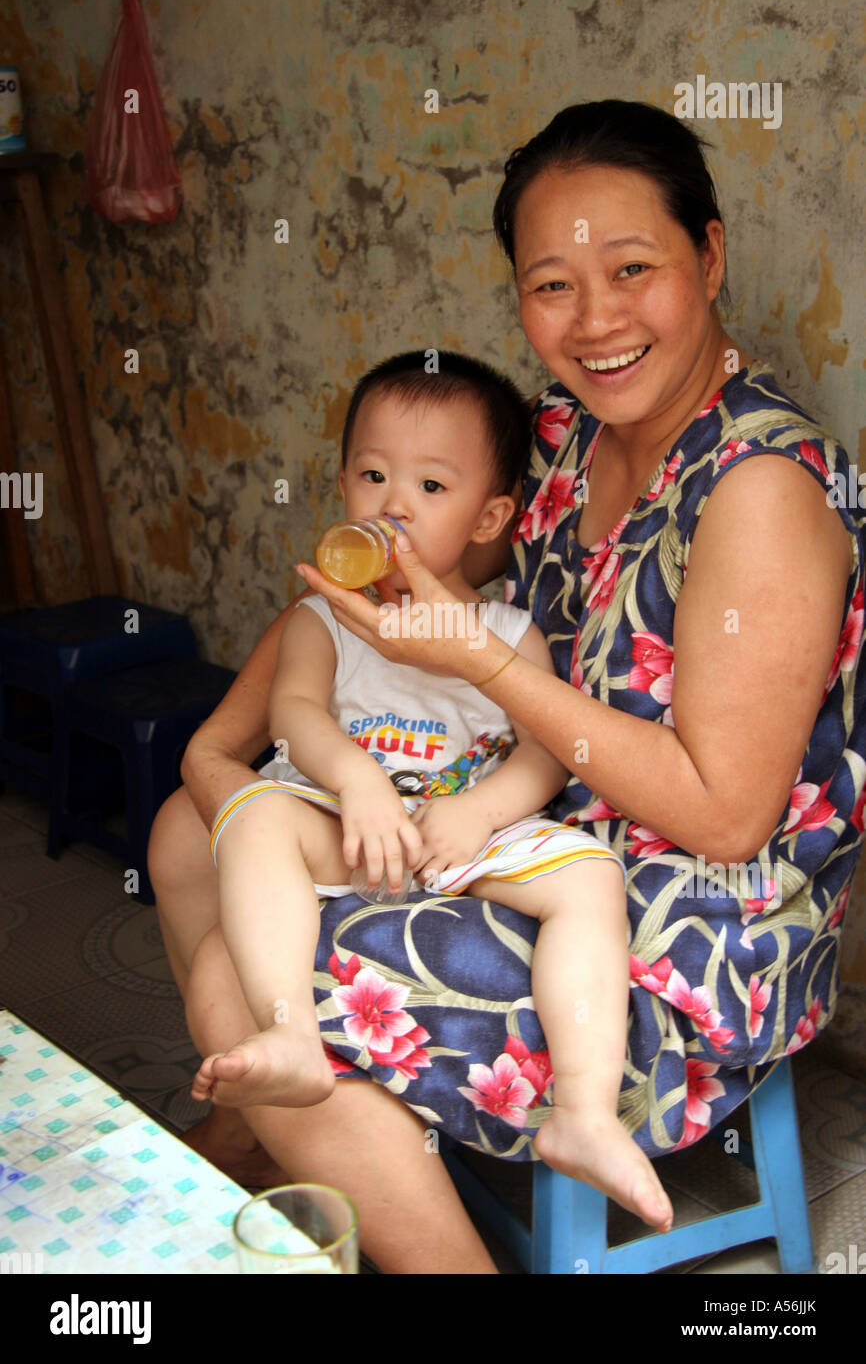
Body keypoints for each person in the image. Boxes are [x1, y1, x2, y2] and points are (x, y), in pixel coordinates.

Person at [150, 100, 865, 1275]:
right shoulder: (566, 434)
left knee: (241, 973)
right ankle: (282, 1124)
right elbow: (428, 556)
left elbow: (725, 814)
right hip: (530, 820)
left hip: (680, 923)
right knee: (193, 830)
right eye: (550, 286)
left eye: (630, 268)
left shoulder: (760, 488)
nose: (593, 322)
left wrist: (476, 667)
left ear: (710, 254)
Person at [188, 349, 673, 1231]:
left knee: (589, 878)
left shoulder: (503, 631)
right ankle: (292, 1037)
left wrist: (480, 812)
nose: (393, 504)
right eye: (372, 475)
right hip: (344, 818)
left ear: (490, 514)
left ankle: (586, 1113)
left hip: (462, 829)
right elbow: (295, 713)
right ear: (341, 488)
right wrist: (356, 780)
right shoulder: (322, 616)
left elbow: (544, 757)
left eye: (431, 486)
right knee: (252, 816)